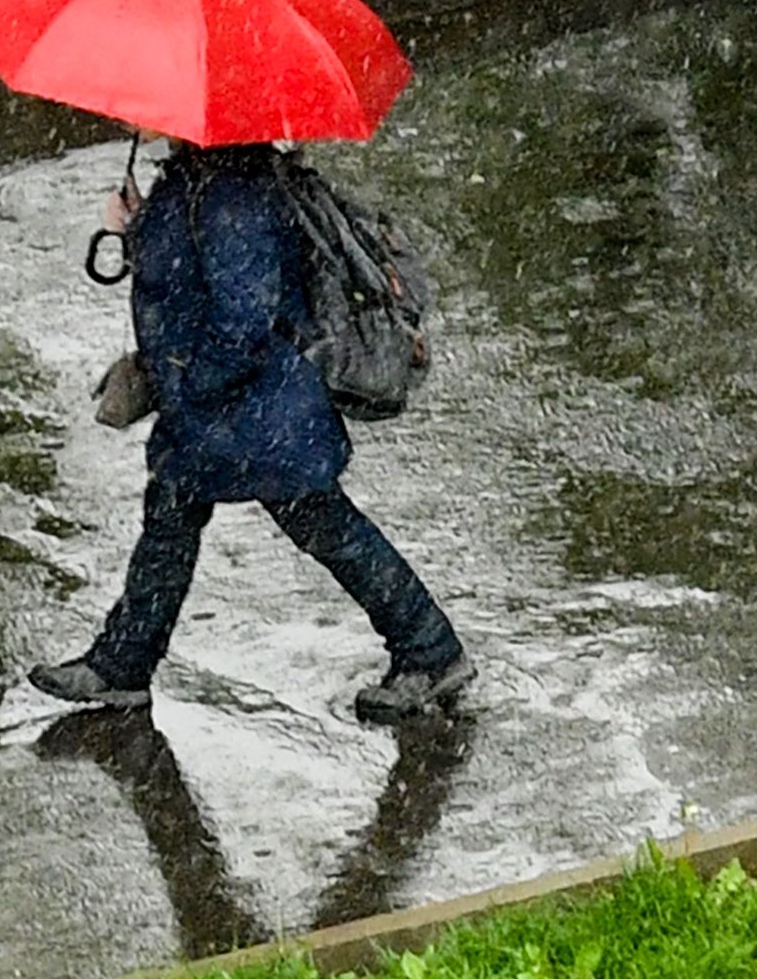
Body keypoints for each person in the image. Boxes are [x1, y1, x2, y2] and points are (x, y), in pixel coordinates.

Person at [29, 139, 471, 723]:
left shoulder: (233, 194)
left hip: (255, 414)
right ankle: (121, 665)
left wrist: (192, 379)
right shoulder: (196, 178)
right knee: (170, 523)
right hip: (221, 412)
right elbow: (184, 274)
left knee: (324, 526)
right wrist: (136, 228)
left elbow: (245, 313)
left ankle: (430, 652)